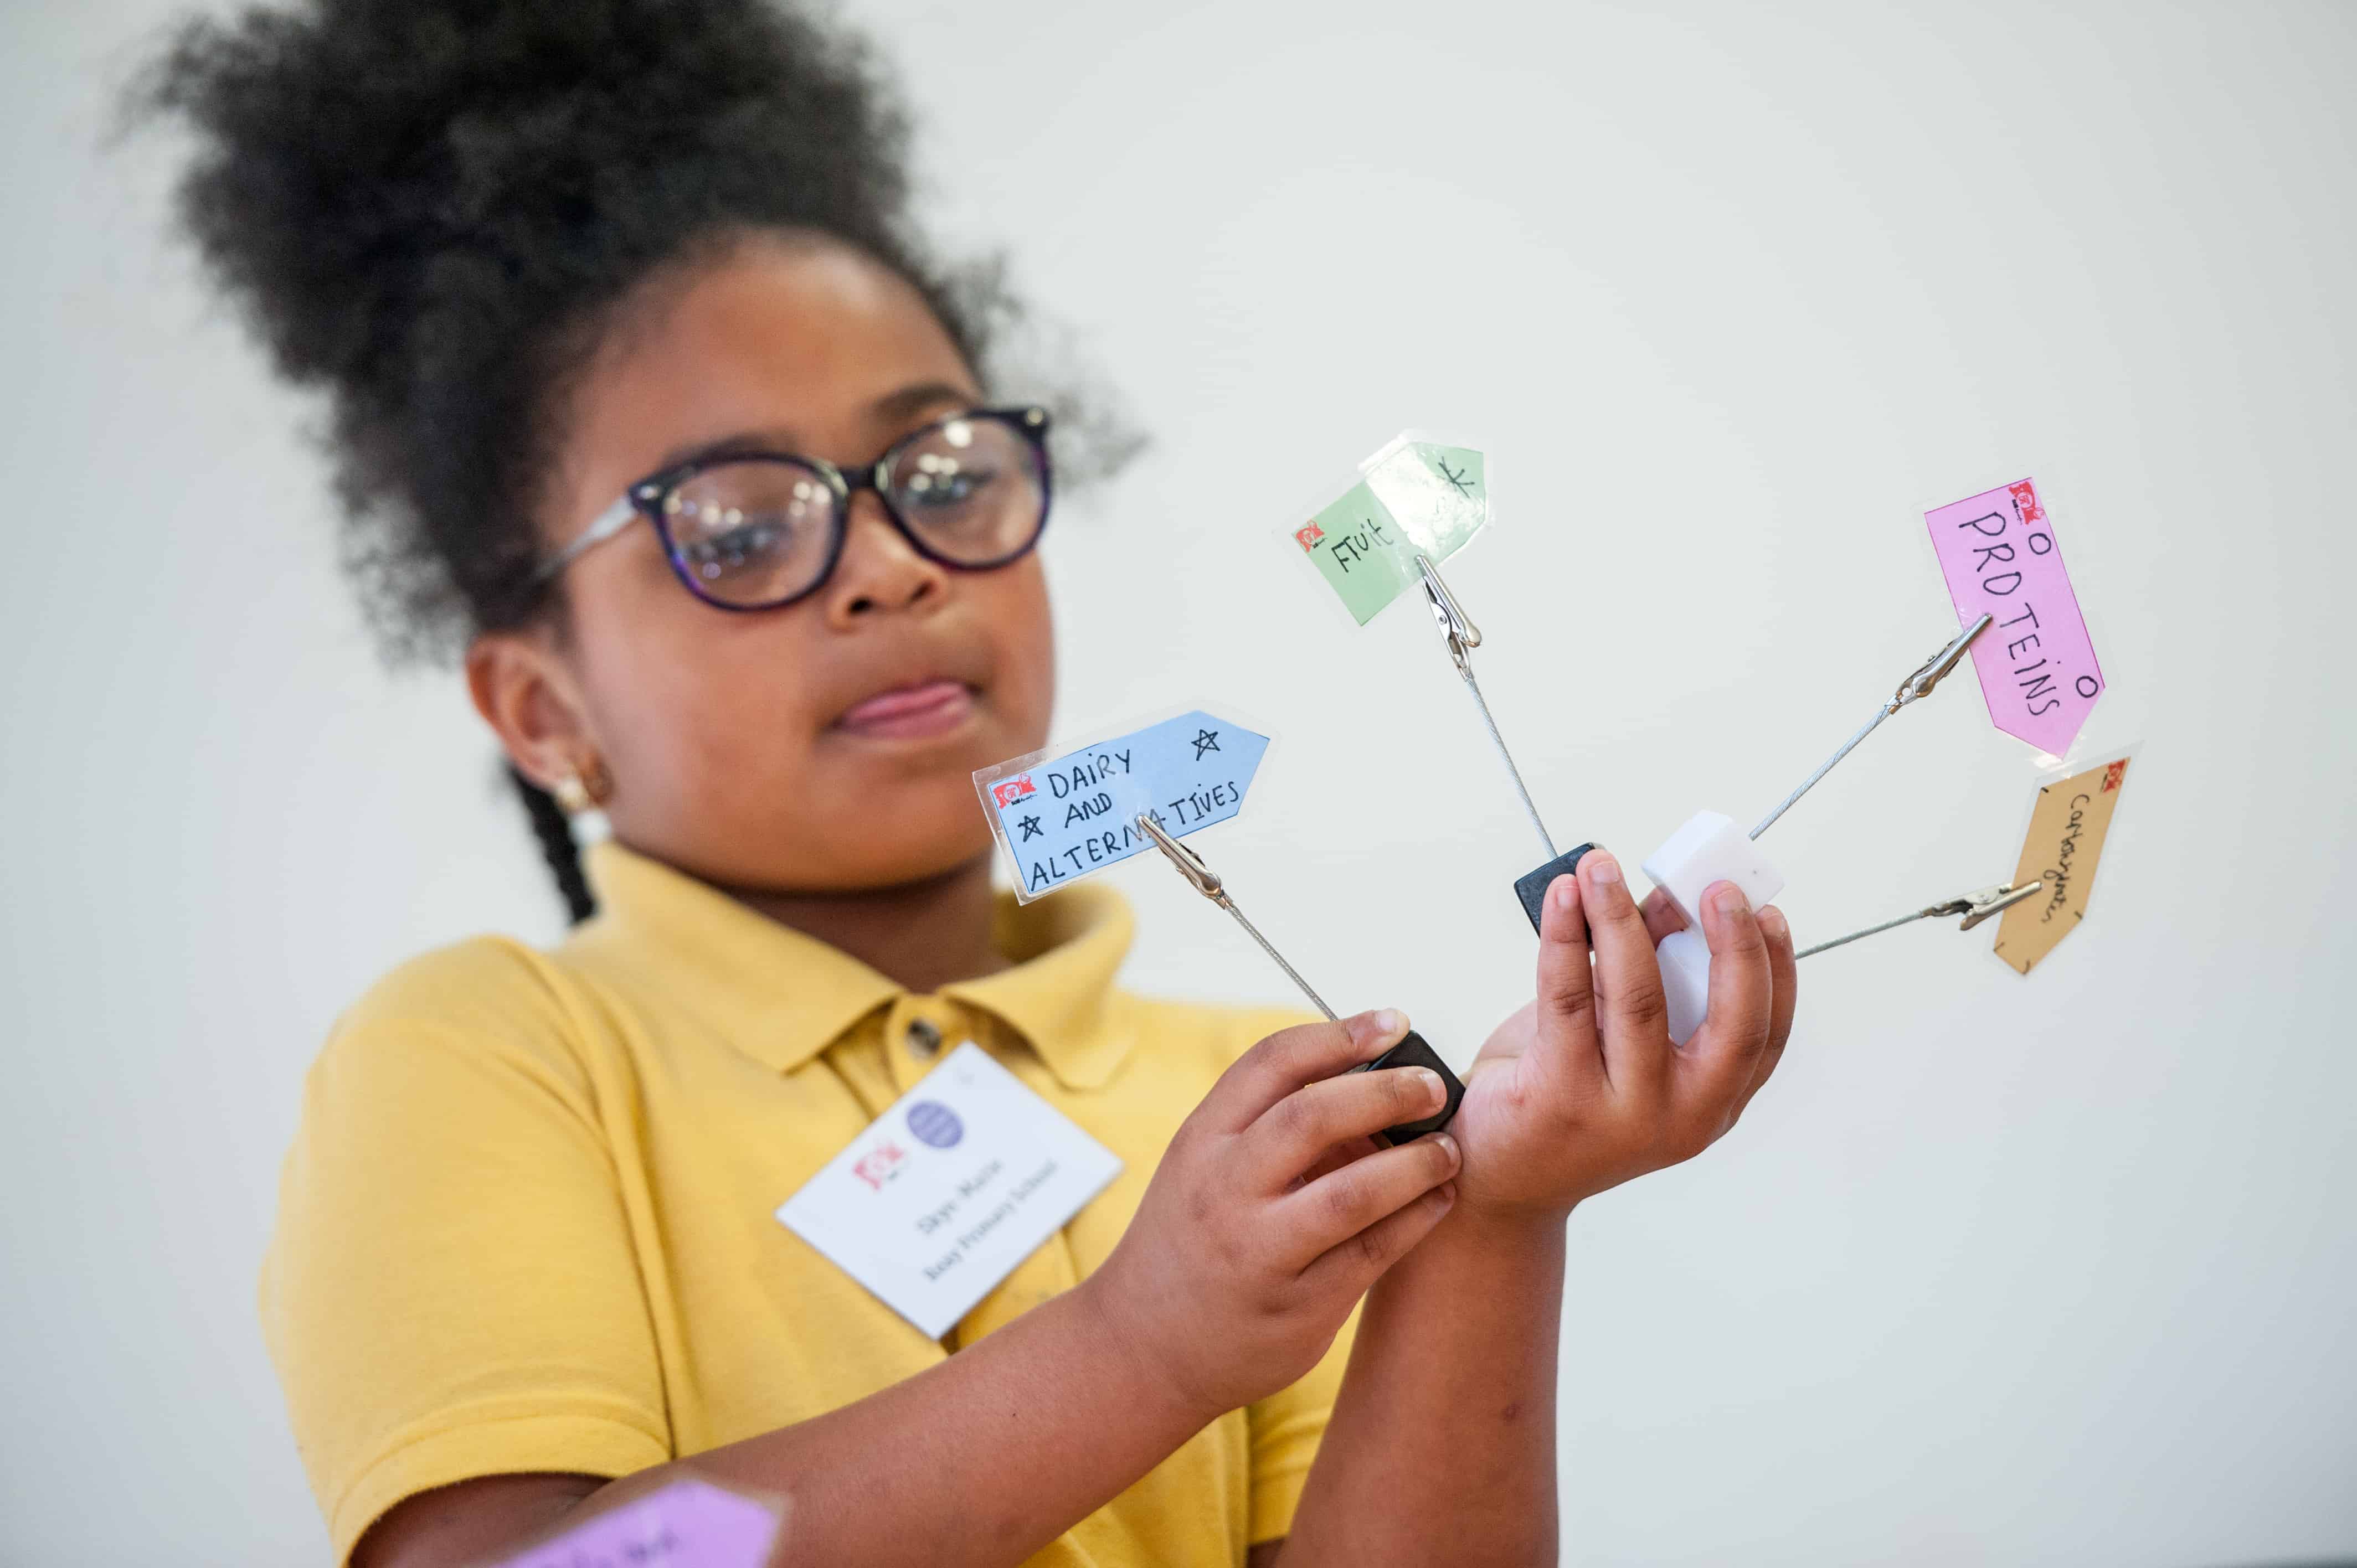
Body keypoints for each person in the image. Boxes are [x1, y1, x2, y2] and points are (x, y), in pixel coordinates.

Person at [143, 2, 1798, 1564]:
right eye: (736, 525)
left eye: (941, 474)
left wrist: (1499, 1218)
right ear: (542, 706)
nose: (886, 567)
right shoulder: (490, 1056)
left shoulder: (1260, 1102)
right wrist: (1143, 1351)